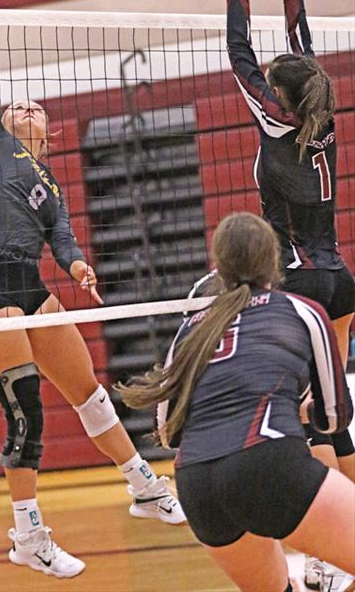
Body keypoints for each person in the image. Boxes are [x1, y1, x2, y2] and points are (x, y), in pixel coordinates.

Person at [0, 0, 186, 579]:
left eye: (36, 106)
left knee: (90, 393)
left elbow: (64, 239)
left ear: (47, 135)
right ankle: (28, 535)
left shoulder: (49, 183)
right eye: (17, 105)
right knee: (27, 415)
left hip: (28, 280)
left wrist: (76, 268)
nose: (25, 105)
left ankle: (143, 486)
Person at [118, 211, 355, 592]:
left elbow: (167, 432)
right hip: (269, 461)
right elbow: (335, 417)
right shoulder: (302, 311)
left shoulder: (190, 329)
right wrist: (298, 410)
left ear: (219, 268)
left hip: (198, 484)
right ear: (273, 260)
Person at [225, 0, 355, 585]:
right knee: (338, 409)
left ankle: (327, 558)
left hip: (299, 283)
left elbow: (238, 50)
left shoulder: (273, 119)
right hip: (341, 280)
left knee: (309, 416)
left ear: (276, 94)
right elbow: (302, 45)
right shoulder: (321, 113)